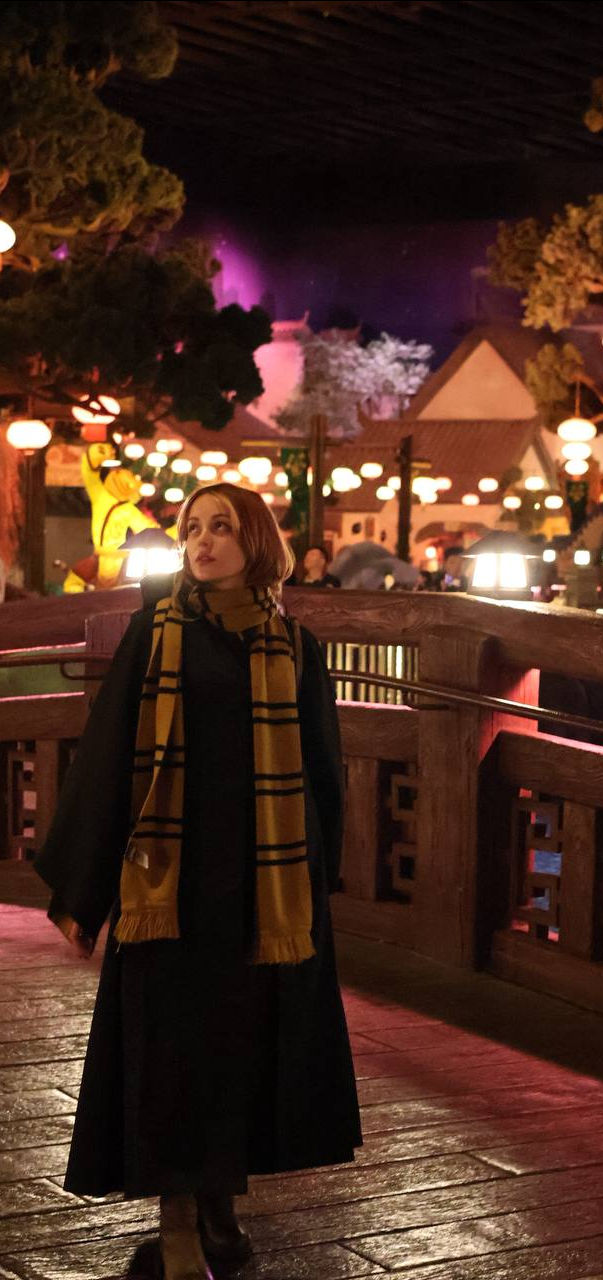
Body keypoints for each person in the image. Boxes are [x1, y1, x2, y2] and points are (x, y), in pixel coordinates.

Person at [34, 483, 362, 1280]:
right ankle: (178, 1222)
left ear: (257, 543)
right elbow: (110, 754)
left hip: (262, 885)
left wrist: (317, 880)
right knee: (171, 1051)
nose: (202, 542)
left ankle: (220, 1206)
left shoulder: (294, 644)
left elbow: (320, 767)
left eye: (222, 527)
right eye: (192, 529)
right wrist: (83, 892)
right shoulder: (157, 631)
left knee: (243, 1047)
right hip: (171, 883)